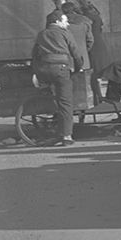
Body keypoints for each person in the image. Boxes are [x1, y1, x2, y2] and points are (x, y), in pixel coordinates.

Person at [31, 10, 86, 146]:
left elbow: (35, 55)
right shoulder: (64, 33)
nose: (67, 23)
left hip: (44, 70)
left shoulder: (41, 34)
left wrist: (38, 72)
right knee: (65, 102)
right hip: (60, 69)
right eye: (65, 21)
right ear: (56, 21)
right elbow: (76, 53)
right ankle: (66, 136)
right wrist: (78, 68)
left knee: (52, 95)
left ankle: (51, 113)